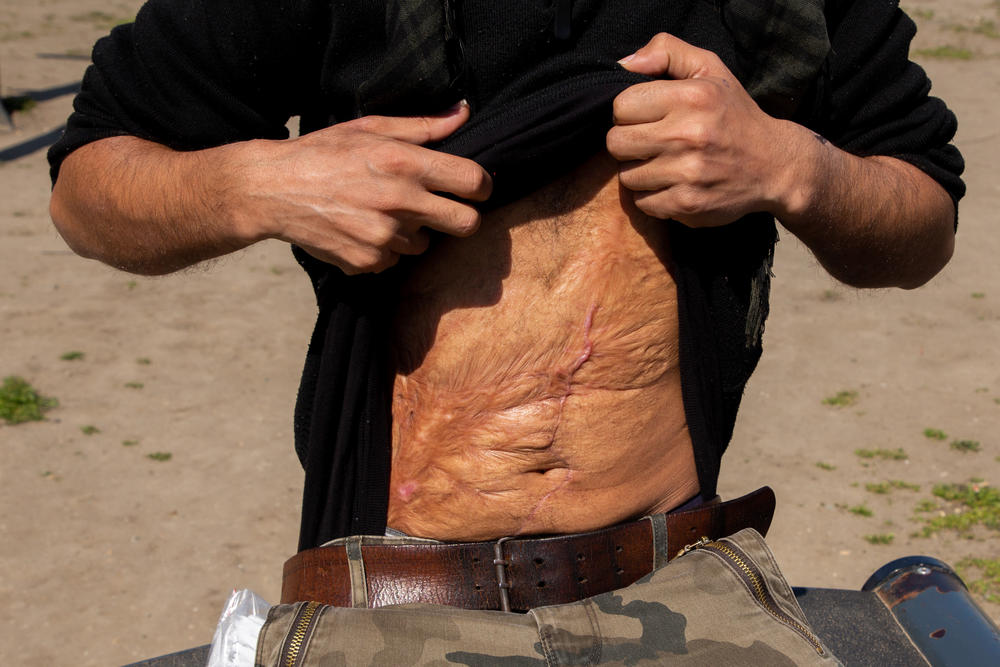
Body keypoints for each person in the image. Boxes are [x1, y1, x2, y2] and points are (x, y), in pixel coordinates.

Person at [48, 0, 963, 663]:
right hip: (393, 588)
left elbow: (921, 213)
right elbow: (90, 182)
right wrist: (265, 184)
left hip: (676, 574)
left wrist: (793, 166)